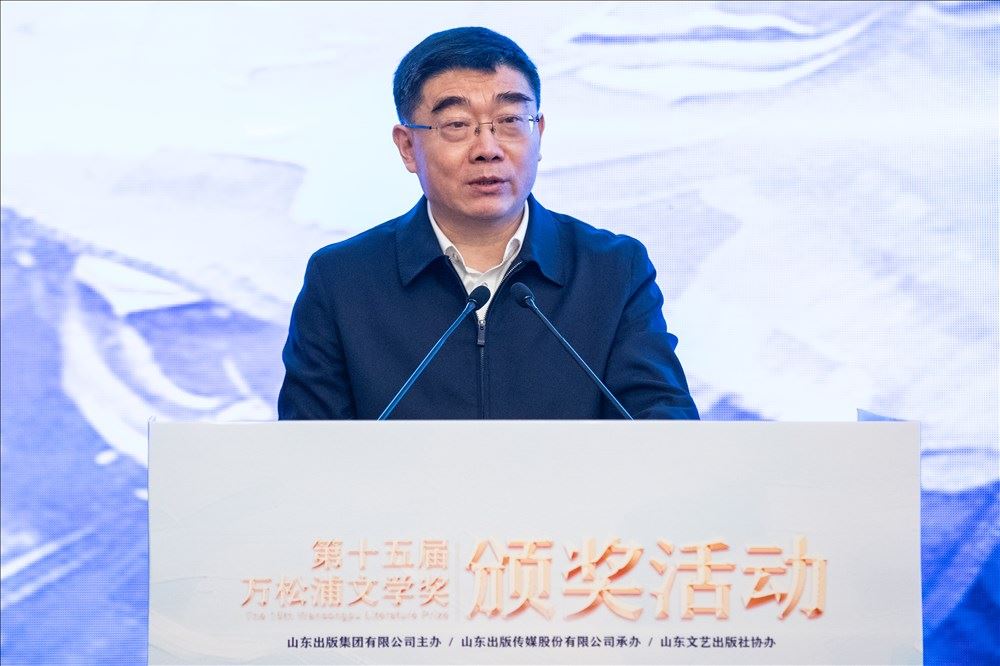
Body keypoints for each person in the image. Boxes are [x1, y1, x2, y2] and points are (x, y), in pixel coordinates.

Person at [278, 27, 699, 420]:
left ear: (539, 133)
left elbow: (664, 430)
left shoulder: (612, 270)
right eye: (457, 125)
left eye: (511, 121)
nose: (488, 149)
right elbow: (305, 452)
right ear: (407, 147)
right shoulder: (342, 281)